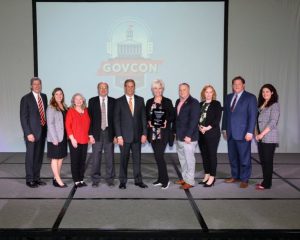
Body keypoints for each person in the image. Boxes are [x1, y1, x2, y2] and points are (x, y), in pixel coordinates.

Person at [222, 76, 257, 188]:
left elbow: (252, 116)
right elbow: (226, 115)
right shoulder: (228, 97)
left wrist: (250, 132)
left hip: (243, 133)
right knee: (232, 156)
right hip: (230, 132)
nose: (236, 86)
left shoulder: (250, 97)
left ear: (243, 85)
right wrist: (224, 129)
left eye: (239, 84)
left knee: (244, 157)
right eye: (234, 84)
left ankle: (245, 179)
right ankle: (235, 176)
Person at [114, 79, 148, 189]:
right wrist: (118, 136)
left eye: (132, 86)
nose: (130, 88)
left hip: (138, 137)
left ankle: (138, 181)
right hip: (123, 138)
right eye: (128, 86)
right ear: (124, 87)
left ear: (134, 87)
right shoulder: (118, 101)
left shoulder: (140, 100)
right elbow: (116, 120)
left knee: (137, 160)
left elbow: (143, 118)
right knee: (123, 160)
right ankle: (122, 181)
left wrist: (144, 134)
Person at [146, 79, 175, 190]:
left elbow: (173, 116)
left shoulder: (167, 101)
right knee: (157, 157)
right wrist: (148, 121)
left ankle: (166, 180)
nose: (157, 90)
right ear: (152, 90)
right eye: (155, 88)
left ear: (162, 89)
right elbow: (146, 116)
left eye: (159, 88)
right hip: (152, 134)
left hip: (163, 134)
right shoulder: (149, 102)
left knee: (159, 156)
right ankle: (160, 179)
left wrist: (166, 121)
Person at [20, 77, 47, 188]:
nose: (37, 86)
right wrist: (28, 133)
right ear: (31, 86)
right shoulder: (26, 98)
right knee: (31, 156)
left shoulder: (44, 97)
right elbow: (23, 117)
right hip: (31, 133)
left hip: (43, 131)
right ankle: (30, 179)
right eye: (35, 84)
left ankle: (36, 177)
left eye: (39, 84)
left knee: (39, 156)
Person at [88, 82, 116, 187]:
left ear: (108, 89)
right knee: (96, 157)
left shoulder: (114, 101)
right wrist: (90, 134)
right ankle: (95, 179)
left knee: (110, 157)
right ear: (98, 89)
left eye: (105, 88)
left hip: (109, 132)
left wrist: (116, 135)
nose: (103, 90)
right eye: (101, 88)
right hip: (96, 133)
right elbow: (89, 119)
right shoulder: (92, 101)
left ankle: (110, 179)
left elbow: (116, 120)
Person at [174, 83, 200, 190]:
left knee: (189, 160)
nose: (182, 92)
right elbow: (177, 119)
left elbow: (194, 120)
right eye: (180, 90)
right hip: (179, 136)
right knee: (182, 159)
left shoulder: (194, 102)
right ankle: (184, 178)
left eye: (184, 90)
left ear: (188, 90)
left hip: (189, 138)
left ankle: (190, 181)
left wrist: (188, 135)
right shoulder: (178, 101)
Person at [255, 84, 280, 190]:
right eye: (263, 92)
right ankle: (265, 181)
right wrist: (257, 134)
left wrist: (261, 134)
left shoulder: (275, 105)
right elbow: (256, 121)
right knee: (263, 161)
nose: (265, 93)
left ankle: (267, 184)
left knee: (268, 161)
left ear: (272, 93)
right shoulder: (261, 104)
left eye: (267, 91)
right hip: (260, 137)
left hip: (269, 137)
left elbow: (273, 122)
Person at [198, 85, 222, 187]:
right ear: (204, 93)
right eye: (206, 92)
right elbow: (197, 118)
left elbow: (217, 119)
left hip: (212, 133)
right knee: (204, 155)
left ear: (213, 93)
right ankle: (207, 175)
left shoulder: (216, 104)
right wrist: (199, 127)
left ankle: (212, 177)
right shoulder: (200, 104)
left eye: (210, 92)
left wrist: (206, 128)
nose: (208, 94)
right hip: (201, 133)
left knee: (212, 155)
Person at [65, 93, 90, 188]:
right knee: (75, 161)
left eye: (80, 99)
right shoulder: (70, 111)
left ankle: (81, 179)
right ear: (73, 101)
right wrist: (72, 139)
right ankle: (76, 180)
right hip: (74, 140)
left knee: (82, 161)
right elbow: (68, 126)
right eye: (76, 99)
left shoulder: (86, 110)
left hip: (84, 140)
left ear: (83, 100)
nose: (79, 101)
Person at [46, 88, 68, 188]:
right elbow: (50, 124)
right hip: (55, 138)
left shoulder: (64, 106)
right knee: (55, 158)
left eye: (61, 94)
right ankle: (58, 179)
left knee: (61, 158)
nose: (59, 96)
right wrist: (54, 138)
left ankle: (56, 178)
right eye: (57, 94)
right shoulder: (51, 108)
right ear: (53, 96)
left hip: (63, 136)